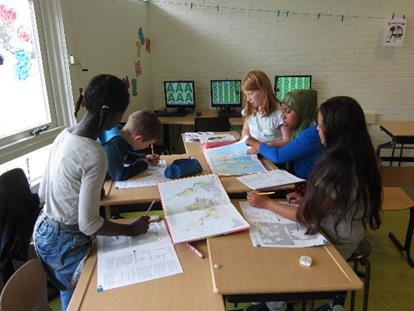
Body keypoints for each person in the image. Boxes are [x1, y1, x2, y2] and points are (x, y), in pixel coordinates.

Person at [247, 96, 382, 310]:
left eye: (320, 126)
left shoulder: (336, 166)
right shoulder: (364, 155)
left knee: (273, 258)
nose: (317, 130)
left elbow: (305, 216)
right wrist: (309, 199)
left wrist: (265, 204)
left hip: (333, 238)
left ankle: (278, 305)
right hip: (351, 230)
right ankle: (330, 302)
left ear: (335, 129)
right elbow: (339, 200)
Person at [33, 74, 150, 311]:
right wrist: (131, 229)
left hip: (43, 231)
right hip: (66, 242)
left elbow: (44, 192)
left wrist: (88, 195)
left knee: (71, 295)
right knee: (88, 299)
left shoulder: (64, 134)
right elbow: (89, 225)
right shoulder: (93, 153)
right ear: (115, 116)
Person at [246, 89, 325, 180]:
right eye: (282, 112)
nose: (283, 116)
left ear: (302, 111)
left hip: (306, 184)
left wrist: (254, 142)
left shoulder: (312, 134)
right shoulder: (301, 129)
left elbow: (278, 156)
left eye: (288, 112)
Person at [99, 110, 163, 181]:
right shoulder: (114, 142)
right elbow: (119, 175)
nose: (147, 147)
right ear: (138, 138)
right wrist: (143, 164)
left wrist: (144, 157)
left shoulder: (119, 132)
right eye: (148, 144)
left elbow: (124, 156)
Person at [241, 70, 291, 151]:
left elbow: (287, 141)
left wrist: (262, 146)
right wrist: (247, 140)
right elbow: (245, 130)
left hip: (272, 155)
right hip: (253, 153)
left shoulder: (280, 113)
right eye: (246, 94)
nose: (248, 99)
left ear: (264, 90)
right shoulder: (249, 109)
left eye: (250, 94)